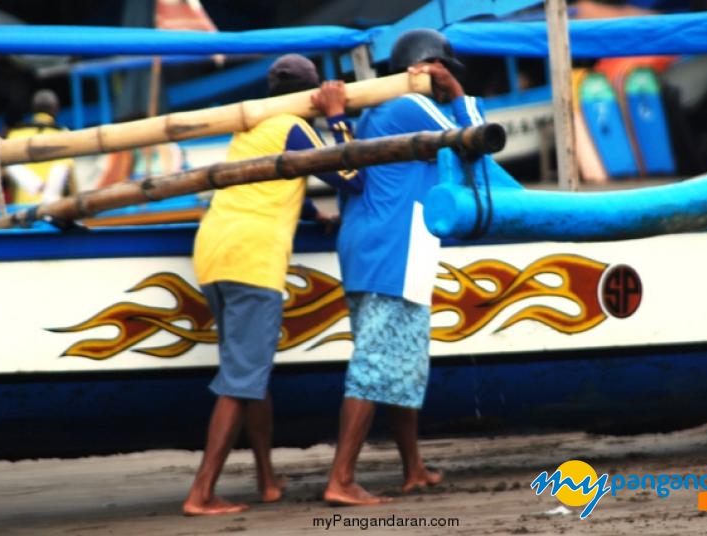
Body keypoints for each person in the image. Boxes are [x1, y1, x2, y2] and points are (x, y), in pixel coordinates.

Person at [184, 54, 362, 516]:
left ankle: (267, 480)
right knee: (242, 380)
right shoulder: (293, 125)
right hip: (252, 259)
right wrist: (338, 116)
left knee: (250, 373)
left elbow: (269, 182)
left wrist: (310, 216)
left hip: (214, 250)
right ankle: (201, 493)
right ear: (311, 94)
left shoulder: (251, 126)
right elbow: (351, 174)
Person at [325, 29, 486, 506]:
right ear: (428, 70)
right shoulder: (409, 106)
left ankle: (413, 468)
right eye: (442, 74)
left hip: (390, 248)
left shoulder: (380, 111)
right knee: (375, 365)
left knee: (402, 363)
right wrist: (459, 95)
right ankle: (341, 479)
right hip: (391, 250)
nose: (445, 83)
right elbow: (476, 140)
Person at [5, 89, 77, 204]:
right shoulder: (63, 135)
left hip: (21, 209)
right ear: (56, 109)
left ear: (33, 110)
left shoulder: (15, 134)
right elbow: (71, 179)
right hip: (53, 207)